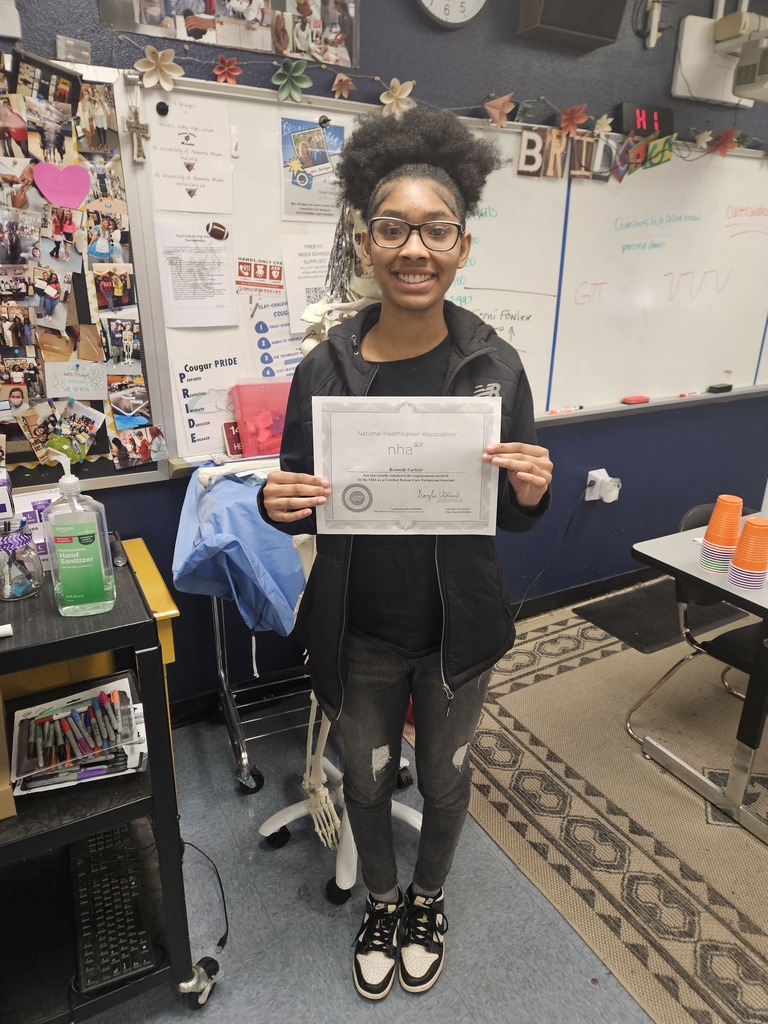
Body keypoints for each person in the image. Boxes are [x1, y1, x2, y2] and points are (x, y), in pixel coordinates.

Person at [259, 106, 552, 1001]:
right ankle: (382, 903)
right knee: (367, 776)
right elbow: (302, 496)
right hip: (361, 629)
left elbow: (513, 515)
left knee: (446, 777)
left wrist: (531, 491)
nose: (414, 248)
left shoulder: (497, 366)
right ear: (366, 242)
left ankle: (428, 901)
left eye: (436, 230)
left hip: (459, 627)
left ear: (462, 247)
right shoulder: (324, 368)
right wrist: (274, 503)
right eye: (393, 229)